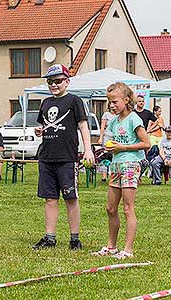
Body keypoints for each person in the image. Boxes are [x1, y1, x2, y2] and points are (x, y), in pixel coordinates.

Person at [33, 64, 94, 251]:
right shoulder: (45, 103)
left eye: (58, 81)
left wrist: (88, 150)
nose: (54, 85)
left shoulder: (74, 101)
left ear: (67, 82)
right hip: (46, 157)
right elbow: (45, 125)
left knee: (70, 198)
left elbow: (83, 126)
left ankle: (74, 238)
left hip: (67, 158)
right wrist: (40, 131)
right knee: (50, 199)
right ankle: (50, 237)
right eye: (50, 81)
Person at [92, 82, 150, 259]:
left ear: (126, 100)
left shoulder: (134, 119)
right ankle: (111, 247)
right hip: (116, 165)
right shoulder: (114, 122)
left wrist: (122, 147)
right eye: (109, 102)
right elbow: (111, 142)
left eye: (115, 101)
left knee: (127, 208)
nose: (112, 105)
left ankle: (128, 250)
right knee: (110, 208)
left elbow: (146, 143)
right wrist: (109, 149)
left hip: (130, 165)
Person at [97, 104, 116, 182]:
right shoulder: (106, 115)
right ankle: (104, 176)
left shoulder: (119, 115)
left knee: (114, 157)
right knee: (105, 156)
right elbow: (102, 127)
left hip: (115, 138)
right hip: (107, 138)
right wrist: (101, 137)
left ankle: (113, 174)